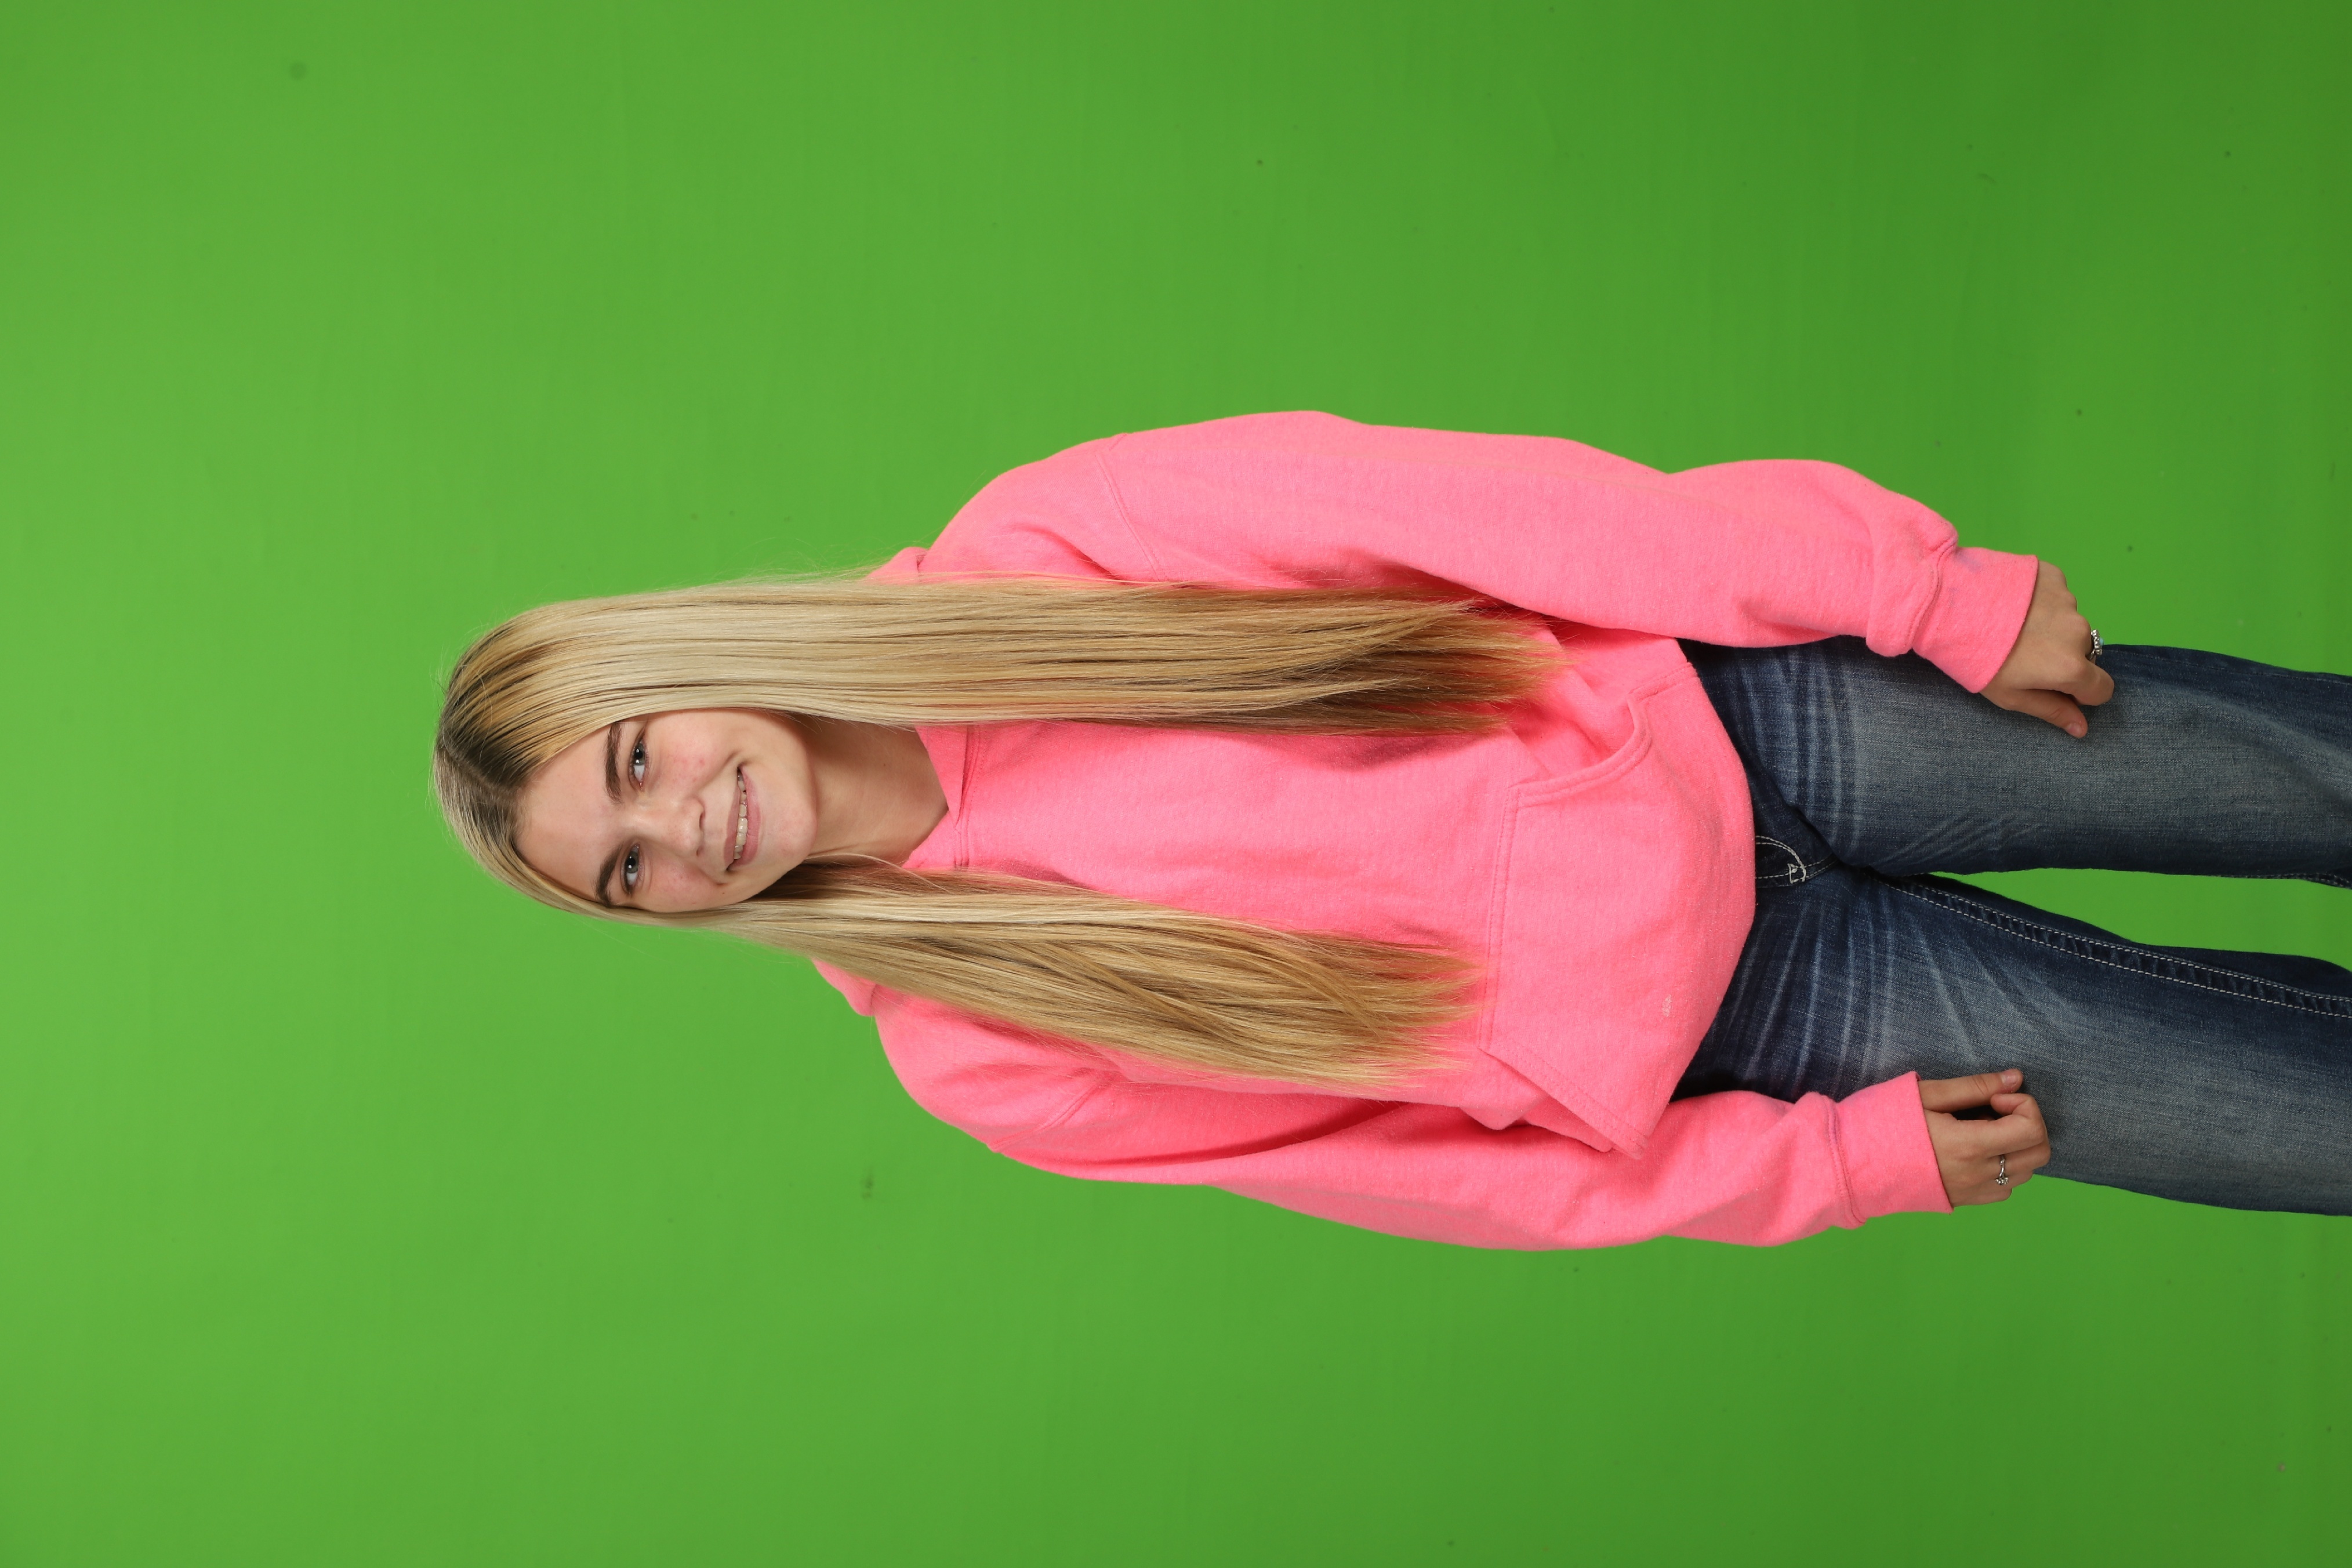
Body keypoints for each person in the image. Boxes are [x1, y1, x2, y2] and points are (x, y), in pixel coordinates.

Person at [434, 412, 2352, 1248]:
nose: (682, 830)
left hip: (1759, 717)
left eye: (634, 760)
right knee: (2302, 1126)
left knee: (2305, 775)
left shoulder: (1036, 548)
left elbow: (1494, 512)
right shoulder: (974, 1052)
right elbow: (1426, 1177)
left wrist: (1907, 588)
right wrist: (1816, 1171)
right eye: (627, 870)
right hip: (1769, 1032)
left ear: (675, 662)